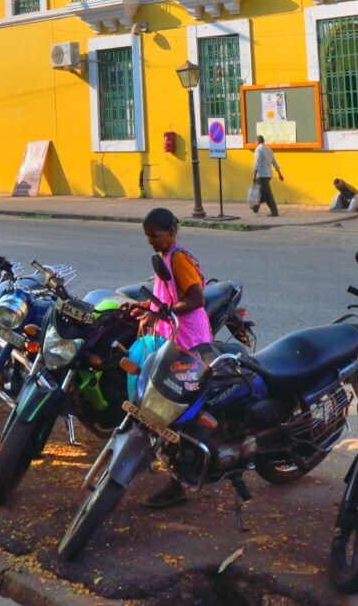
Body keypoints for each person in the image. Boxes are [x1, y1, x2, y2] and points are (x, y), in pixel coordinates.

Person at [137, 207, 213, 508]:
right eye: (147, 237)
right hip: (175, 333)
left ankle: (182, 479)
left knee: (180, 409)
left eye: (155, 236)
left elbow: (196, 299)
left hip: (190, 337)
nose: (151, 242)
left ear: (170, 232)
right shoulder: (166, 257)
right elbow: (165, 295)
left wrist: (167, 311)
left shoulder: (179, 258)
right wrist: (148, 307)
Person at [249, 133, 283, 217]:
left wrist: (254, 174)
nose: (255, 143)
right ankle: (255, 207)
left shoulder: (258, 149)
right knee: (261, 192)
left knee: (267, 194)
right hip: (268, 175)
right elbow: (274, 162)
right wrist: (279, 174)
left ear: (258, 141)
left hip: (261, 175)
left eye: (255, 142)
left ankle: (274, 211)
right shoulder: (269, 150)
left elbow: (257, 163)